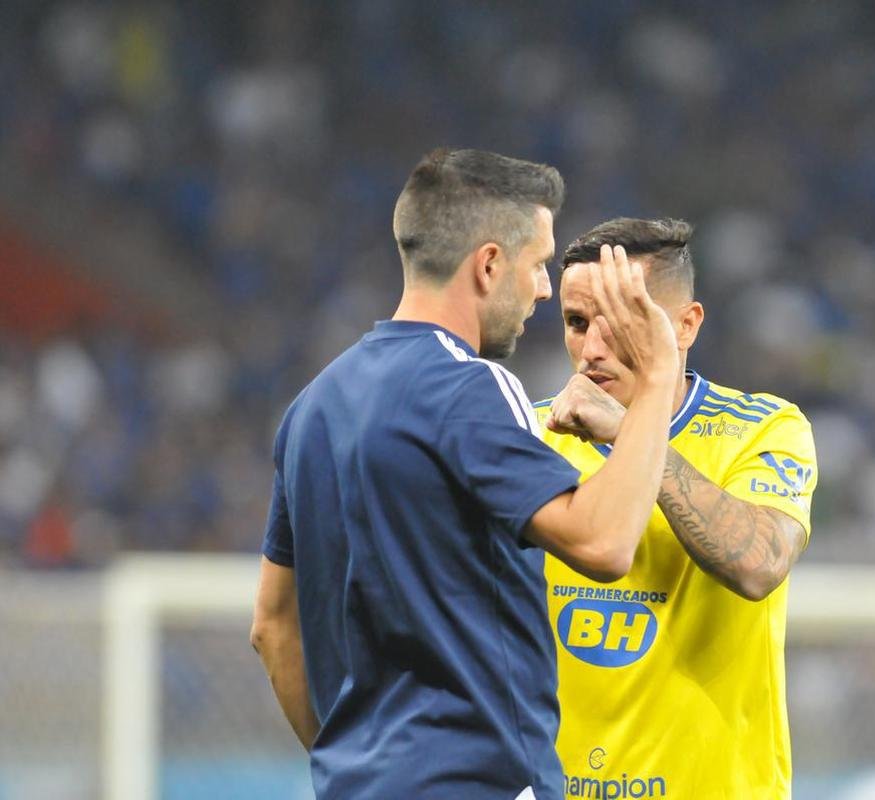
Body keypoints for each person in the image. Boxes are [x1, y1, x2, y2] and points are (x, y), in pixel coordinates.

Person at [249, 150, 680, 800]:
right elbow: (604, 542)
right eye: (536, 264)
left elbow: (272, 627)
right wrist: (655, 380)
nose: (541, 287)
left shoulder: (312, 407)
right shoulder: (469, 388)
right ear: (487, 265)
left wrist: (359, 768)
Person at [536, 217, 819, 799]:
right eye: (576, 322)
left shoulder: (764, 429)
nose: (592, 349)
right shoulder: (529, 433)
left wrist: (632, 436)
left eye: (621, 323)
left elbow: (759, 563)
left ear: (685, 326)